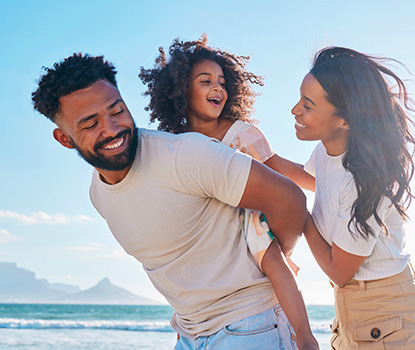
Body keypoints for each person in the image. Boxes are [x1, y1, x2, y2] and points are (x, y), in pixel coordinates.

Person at [32, 53, 308, 350]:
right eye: (90, 124)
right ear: (64, 138)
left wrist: (271, 257)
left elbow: (289, 198)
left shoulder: (186, 155)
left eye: (117, 111)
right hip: (189, 334)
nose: (111, 129)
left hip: (251, 326)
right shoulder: (98, 194)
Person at [139, 36, 318, 350]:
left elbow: (278, 166)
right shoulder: (175, 144)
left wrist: (323, 182)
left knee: (274, 262)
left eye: (222, 82)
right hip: (206, 232)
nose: (217, 88)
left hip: (244, 219)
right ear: (181, 90)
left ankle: (305, 337)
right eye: (205, 81)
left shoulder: (240, 133)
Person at [292, 47, 415, 349]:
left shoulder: (367, 181)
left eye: (308, 105)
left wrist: (297, 215)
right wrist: (254, 151)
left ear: (345, 119)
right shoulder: (326, 151)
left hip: (391, 321)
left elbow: (339, 270)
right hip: (352, 317)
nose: (296, 110)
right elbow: (314, 182)